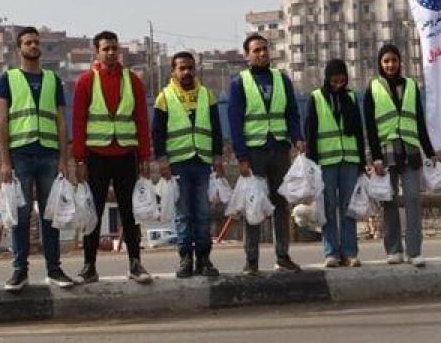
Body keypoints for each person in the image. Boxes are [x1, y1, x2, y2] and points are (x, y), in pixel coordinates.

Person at [0, 26, 72, 291]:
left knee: (52, 215)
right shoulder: (8, 79)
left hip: (49, 154)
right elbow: (1, 121)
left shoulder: (52, 80)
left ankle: (54, 268)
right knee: (22, 214)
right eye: (28, 42)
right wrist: (5, 161)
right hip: (21, 155)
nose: (33, 46)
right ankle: (20, 270)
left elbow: (62, 121)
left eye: (36, 42)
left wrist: (65, 159)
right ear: (20, 49)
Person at [72, 30, 153, 284]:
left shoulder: (133, 81)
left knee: (130, 212)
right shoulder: (86, 81)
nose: (110, 53)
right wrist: (80, 160)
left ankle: (135, 263)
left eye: (114, 48)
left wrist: (145, 156)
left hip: (126, 155)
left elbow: (141, 119)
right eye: (105, 49)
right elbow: (78, 121)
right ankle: (89, 265)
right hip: (96, 155)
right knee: (93, 212)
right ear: (96, 51)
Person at [228, 33, 305, 275]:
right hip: (254, 152)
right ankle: (251, 260)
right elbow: (235, 121)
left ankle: (282, 255)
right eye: (256, 50)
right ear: (247, 56)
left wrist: (298, 138)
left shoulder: (282, 80)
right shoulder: (239, 83)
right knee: (254, 206)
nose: (262, 53)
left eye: (264, 49)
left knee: (281, 204)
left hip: (279, 149)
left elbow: (292, 113)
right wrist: (241, 157)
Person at [152, 52, 225, 278]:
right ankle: (185, 258)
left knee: (202, 214)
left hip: (202, 163)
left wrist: (218, 156)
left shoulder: (206, 95)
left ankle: (204, 258)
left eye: (190, 68)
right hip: (178, 165)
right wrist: (162, 160)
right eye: (181, 68)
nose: (187, 72)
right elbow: (158, 133)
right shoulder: (164, 97)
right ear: (173, 71)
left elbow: (216, 128)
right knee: (183, 214)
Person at [363, 44, 436, 268]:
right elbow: (371, 126)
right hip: (386, 153)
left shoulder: (411, 86)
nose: (390, 65)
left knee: (413, 199)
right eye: (386, 61)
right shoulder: (372, 88)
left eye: (394, 60)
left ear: (400, 62)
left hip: (411, 150)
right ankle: (394, 249)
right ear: (380, 64)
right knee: (389, 201)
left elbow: (419, 121)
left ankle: (414, 250)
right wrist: (375, 157)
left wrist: (430, 150)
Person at [304, 59, 366, 268]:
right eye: (335, 78)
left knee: (349, 208)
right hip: (325, 161)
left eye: (342, 78)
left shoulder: (351, 97)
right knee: (328, 207)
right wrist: (311, 165)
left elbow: (358, 131)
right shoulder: (316, 98)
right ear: (328, 77)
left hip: (349, 159)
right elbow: (310, 132)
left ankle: (350, 252)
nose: (338, 82)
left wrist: (361, 162)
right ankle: (331, 252)